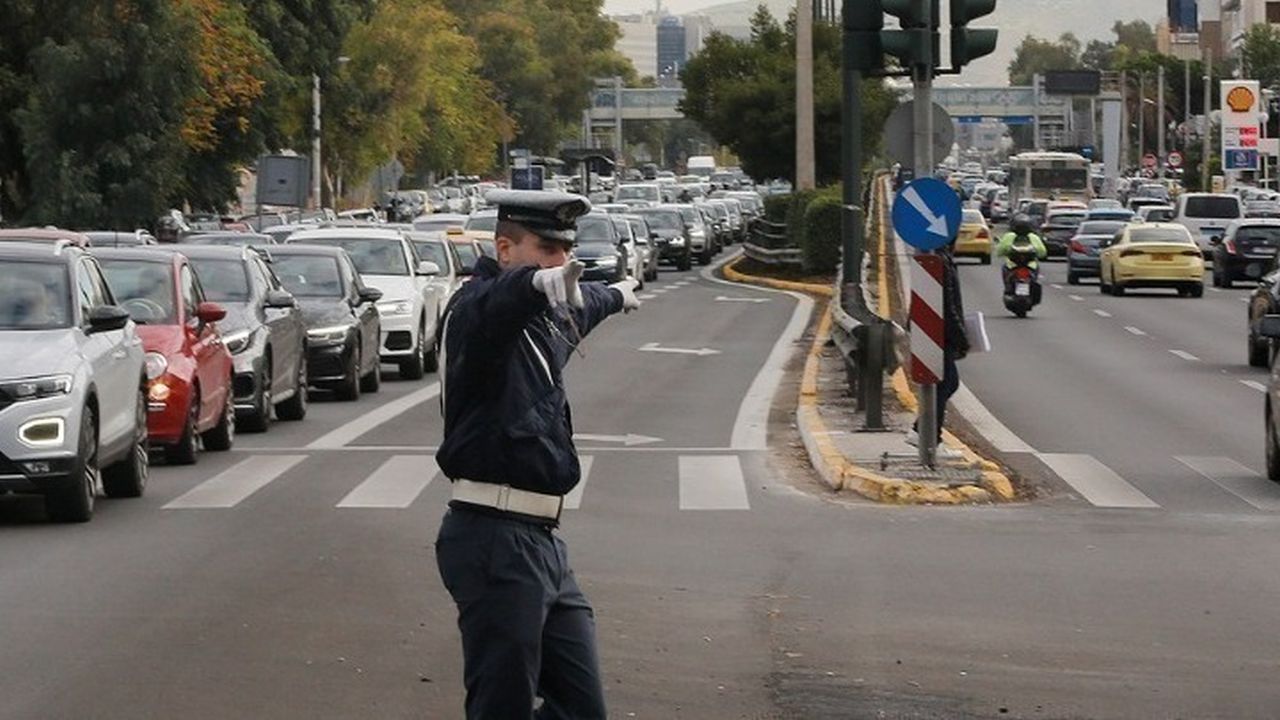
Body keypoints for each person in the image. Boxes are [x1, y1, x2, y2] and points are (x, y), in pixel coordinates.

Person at [434, 189, 641, 719]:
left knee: (580, 706)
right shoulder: (477, 313)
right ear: (505, 249)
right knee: (501, 707)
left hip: (542, 541)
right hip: (493, 537)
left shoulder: (547, 316)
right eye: (547, 249)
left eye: (566, 252)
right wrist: (532, 284)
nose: (561, 263)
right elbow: (497, 304)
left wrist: (615, 295)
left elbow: (581, 302)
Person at [908, 237, 969, 458]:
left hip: (935, 331)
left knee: (945, 384)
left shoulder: (940, 259)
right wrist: (961, 337)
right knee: (945, 383)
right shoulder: (940, 261)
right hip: (939, 333)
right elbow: (948, 306)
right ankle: (928, 437)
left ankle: (923, 432)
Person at [995, 214, 1048, 292]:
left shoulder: (1009, 236)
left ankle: (1009, 288)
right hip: (1024, 266)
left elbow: (1000, 250)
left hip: (1015, 266)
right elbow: (1042, 252)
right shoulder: (1033, 236)